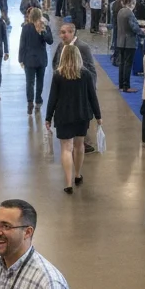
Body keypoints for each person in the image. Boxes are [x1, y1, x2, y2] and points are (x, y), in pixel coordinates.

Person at [44, 45, 101, 194]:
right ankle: (77, 174)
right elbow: (92, 97)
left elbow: (52, 98)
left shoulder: (58, 75)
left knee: (66, 148)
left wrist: (48, 117)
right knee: (79, 145)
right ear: (78, 56)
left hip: (63, 115)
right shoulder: (86, 74)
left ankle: (68, 183)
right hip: (82, 115)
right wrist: (98, 116)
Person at [18, 8, 53, 114]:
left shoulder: (25, 28)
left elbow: (22, 44)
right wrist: (42, 32)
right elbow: (50, 41)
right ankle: (38, 100)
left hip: (29, 60)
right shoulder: (45, 27)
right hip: (41, 59)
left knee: (29, 82)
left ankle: (30, 102)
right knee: (40, 81)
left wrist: (21, 59)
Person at [114, 0, 145, 93]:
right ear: (132, 3)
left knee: (122, 64)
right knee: (128, 64)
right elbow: (134, 28)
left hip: (120, 41)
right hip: (129, 42)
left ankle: (121, 84)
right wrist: (142, 31)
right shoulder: (130, 13)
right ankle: (126, 86)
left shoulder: (120, 11)